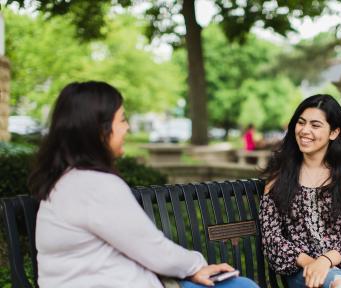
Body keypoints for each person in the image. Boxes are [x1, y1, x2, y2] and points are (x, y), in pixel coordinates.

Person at [29, 81, 259, 288]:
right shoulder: (94, 185)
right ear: (99, 130)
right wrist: (197, 265)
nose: (127, 127)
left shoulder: (66, 180)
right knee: (242, 287)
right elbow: (154, 251)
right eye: (122, 119)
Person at [259, 94, 341, 288]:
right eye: (301, 123)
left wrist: (326, 260)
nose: (305, 130)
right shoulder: (279, 176)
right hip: (303, 267)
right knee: (340, 285)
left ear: (334, 132)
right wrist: (311, 263)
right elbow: (272, 239)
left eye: (315, 125)